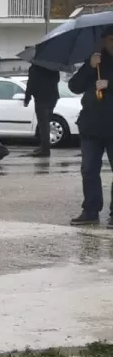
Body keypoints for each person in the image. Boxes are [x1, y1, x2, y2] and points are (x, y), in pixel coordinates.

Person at [69, 28, 113, 226]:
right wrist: (89, 67)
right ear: (103, 41)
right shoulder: (95, 61)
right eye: (110, 39)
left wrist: (109, 84)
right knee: (89, 170)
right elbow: (74, 86)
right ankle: (90, 210)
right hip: (91, 125)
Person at [25, 62, 61, 158]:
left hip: (41, 98)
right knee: (46, 122)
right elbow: (57, 79)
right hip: (52, 97)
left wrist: (27, 98)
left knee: (43, 124)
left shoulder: (35, 67)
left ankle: (45, 149)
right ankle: (44, 146)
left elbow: (31, 83)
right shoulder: (53, 66)